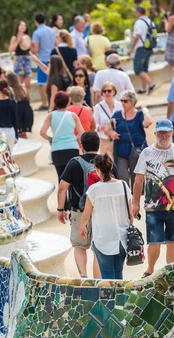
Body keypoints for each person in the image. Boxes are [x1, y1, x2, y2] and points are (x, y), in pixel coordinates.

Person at [132, 119, 174, 277]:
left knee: (172, 243)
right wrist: (135, 202)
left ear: (172, 133)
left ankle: (171, 273)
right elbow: (138, 179)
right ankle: (150, 270)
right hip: (153, 206)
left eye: (166, 132)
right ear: (155, 134)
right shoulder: (147, 153)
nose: (163, 135)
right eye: (160, 132)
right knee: (154, 243)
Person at [79, 153, 131, 279]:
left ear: (96, 169)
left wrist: (82, 227)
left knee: (107, 275)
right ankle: (120, 298)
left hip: (103, 238)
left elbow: (86, 215)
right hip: (122, 236)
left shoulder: (94, 190)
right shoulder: (123, 185)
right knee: (118, 273)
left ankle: (109, 298)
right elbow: (130, 213)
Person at [57, 131, 102, 278]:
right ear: (98, 144)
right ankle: (97, 281)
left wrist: (61, 209)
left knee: (79, 246)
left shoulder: (74, 162)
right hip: (101, 212)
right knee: (98, 249)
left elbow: (62, 187)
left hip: (79, 211)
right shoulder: (106, 162)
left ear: (81, 145)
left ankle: (83, 277)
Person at [109, 90, 152, 189]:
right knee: (122, 176)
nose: (122, 103)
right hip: (121, 151)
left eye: (125, 101)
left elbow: (148, 123)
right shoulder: (117, 114)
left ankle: (135, 200)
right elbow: (108, 128)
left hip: (136, 152)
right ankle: (126, 198)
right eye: (121, 101)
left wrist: (145, 110)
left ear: (132, 102)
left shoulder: (140, 114)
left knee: (136, 177)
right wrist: (111, 133)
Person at [40, 91, 85, 179]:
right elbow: (82, 133)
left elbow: (42, 132)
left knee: (61, 179)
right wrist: (75, 138)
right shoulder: (73, 116)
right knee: (73, 179)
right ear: (68, 101)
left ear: (55, 102)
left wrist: (51, 139)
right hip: (72, 148)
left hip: (57, 150)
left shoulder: (51, 116)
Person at [32, 13, 57, 111]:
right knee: (53, 82)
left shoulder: (37, 33)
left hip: (42, 59)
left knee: (42, 83)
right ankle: (53, 102)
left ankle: (44, 103)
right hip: (53, 58)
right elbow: (55, 44)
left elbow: (36, 49)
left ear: (36, 22)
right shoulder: (51, 30)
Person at [128, 6, 156, 95]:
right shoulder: (150, 21)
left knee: (138, 69)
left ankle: (150, 84)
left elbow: (137, 36)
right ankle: (143, 88)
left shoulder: (139, 22)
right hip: (149, 47)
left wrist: (131, 49)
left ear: (138, 12)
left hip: (141, 47)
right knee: (144, 68)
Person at [93, 81, 122, 158]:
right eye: (104, 91)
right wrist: (103, 128)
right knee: (108, 165)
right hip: (104, 140)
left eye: (109, 91)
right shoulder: (98, 107)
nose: (106, 93)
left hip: (119, 139)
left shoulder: (120, 105)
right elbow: (94, 125)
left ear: (114, 92)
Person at [6, 71, 34, 139]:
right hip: (27, 111)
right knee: (23, 134)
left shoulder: (9, 90)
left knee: (19, 135)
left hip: (18, 113)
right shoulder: (23, 88)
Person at [9, 21, 33, 91]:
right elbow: (10, 50)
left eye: (24, 25)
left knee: (28, 82)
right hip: (19, 59)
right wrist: (18, 41)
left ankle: (27, 98)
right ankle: (19, 98)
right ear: (18, 27)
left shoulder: (27, 37)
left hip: (27, 58)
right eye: (21, 25)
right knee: (19, 81)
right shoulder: (14, 37)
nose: (23, 27)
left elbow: (30, 49)